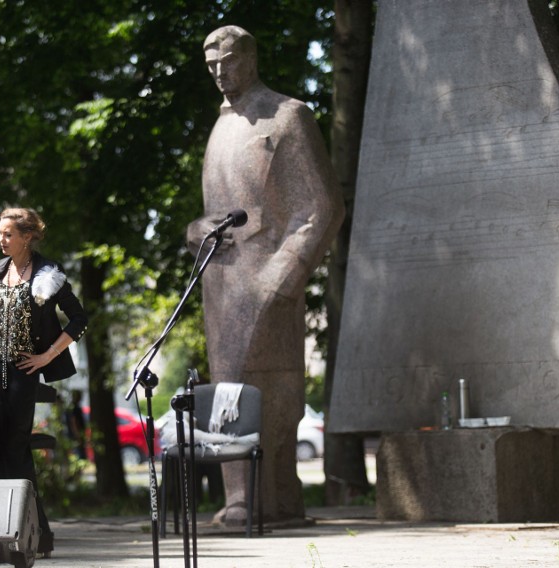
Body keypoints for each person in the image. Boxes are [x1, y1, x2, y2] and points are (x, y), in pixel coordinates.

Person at [187, 26, 344, 524]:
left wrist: (284, 275)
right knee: (229, 387)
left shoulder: (288, 116)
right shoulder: (219, 127)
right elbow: (215, 213)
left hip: (268, 278)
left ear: (251, 58)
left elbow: (322, 208)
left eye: (228, 61)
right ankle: (242, 496)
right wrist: (196, 230)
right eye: (210, 65)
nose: (219, 73)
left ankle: (266, 496)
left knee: (273, 386)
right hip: (221, 282)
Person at [0, 207, 88, 558]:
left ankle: (35, 534)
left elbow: (80, 319)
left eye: (8, 234)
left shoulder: (47, 275)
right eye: (0, 233)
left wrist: (47, 356)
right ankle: (12, 534)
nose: (1, 239)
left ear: (27, 236)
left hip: (23, 376)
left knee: (15, 451)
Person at [65, 390, 87, 460]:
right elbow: (73, 422)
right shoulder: (74, 408)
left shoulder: (71, 407)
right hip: (75, 436)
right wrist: (78, 436)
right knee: (78, 455)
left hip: (74, 436)